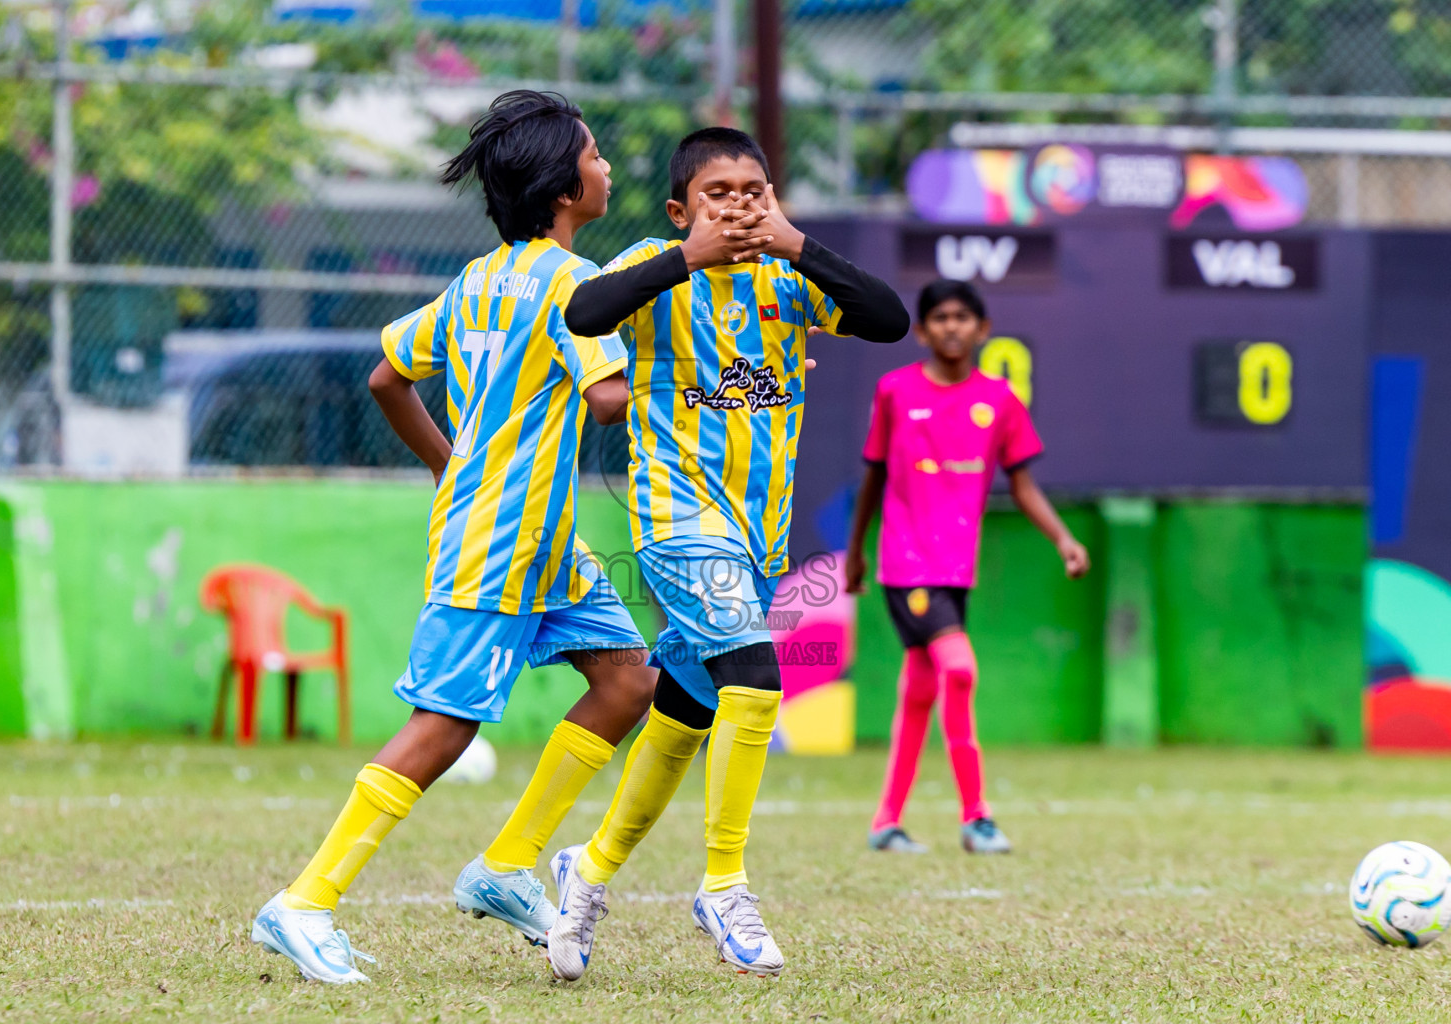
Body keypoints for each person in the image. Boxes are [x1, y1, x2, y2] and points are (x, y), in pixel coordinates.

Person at [249, 90, 657, 984]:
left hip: (543, 544)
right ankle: (305, 901)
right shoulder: (568, 284)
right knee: (444, 726)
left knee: (629, 681)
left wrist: (449, 463)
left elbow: (387, 377)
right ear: (563, 186)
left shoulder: (477, 281)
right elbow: (611, 399)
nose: (608, 168)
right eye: (595, 155)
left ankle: (507, 866)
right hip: (501, 547)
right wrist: (700, 374)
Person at [540, 127, 910, 980]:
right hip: (676, 521)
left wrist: (799, 244)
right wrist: (688, 257)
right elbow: (583, 313)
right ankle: (724, 884)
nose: (739, 204)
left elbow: (888, 320)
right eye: (719, 193)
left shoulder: (791, 277)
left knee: (689, 709)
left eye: (754, 190)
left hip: (757, 535)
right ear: (682, 209)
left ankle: (586, 872)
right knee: (756, 680)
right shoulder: (651, 266)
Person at [845, 279, 1090, 857]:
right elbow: (873, 476)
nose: (951, 326)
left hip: (957, 569)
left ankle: (886, 821)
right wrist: (856, 550)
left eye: (962, 317)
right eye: (940, 317)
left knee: (921, 691)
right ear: (924, 330)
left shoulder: (1000, 400)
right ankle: (977, 817)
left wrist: (1064, 539)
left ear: (982, 329)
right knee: (958, 668)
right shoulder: (895, 391)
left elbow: (1023, 485)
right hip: (906, 564)